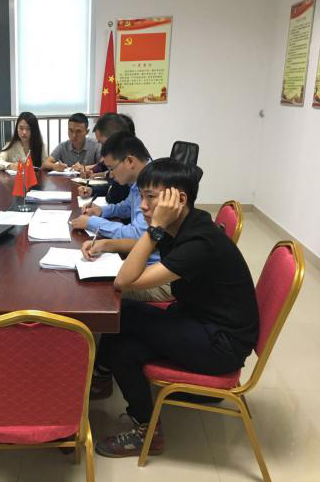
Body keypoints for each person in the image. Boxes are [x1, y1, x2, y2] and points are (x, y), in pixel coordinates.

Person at [94, 158, 259, 458]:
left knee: (123, 323)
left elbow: (124, 280)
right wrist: (108, 245)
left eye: (151, 197)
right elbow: (140, 255)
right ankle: (111, 383)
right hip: (201, 320)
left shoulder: (198, 241)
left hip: (221, 344)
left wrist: (154, 227)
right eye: (142, 196)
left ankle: (143, 427)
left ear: (178, 199)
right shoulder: (187, 222)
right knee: (123, 329)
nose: (143, 206)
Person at [72, 132, 173, 301]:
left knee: (97, 292)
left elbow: (139, 235)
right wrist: (102, 211)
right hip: (143, 260)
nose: (110, 175)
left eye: (112, 168)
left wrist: (92, 222)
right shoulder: (143, 178)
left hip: (155, 269)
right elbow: (128, 206)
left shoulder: (155, 183)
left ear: (130, 161)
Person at [77, 113, 134, 204]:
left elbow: (114, 197)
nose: (103, 149)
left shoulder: (128, 161)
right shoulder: (125, 155)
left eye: (103, 143)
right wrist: (92, 190)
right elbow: (112, 187)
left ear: (116, 138)